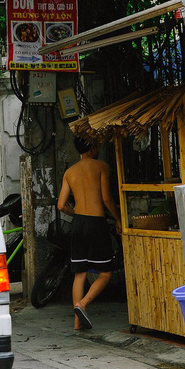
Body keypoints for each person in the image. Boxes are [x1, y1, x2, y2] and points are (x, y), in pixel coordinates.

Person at [57, 135, 122, 331]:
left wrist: (76, 211)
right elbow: (106, 198)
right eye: (96, 145)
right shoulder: (101, 166)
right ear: (91, 147)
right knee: (105, 273)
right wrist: (118, 219)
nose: (99, 147)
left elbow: (61, 205)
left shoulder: (69, 172)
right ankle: (83, 304)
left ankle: (78, 323)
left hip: (78, 223)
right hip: (96, 222)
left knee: (80, 274)